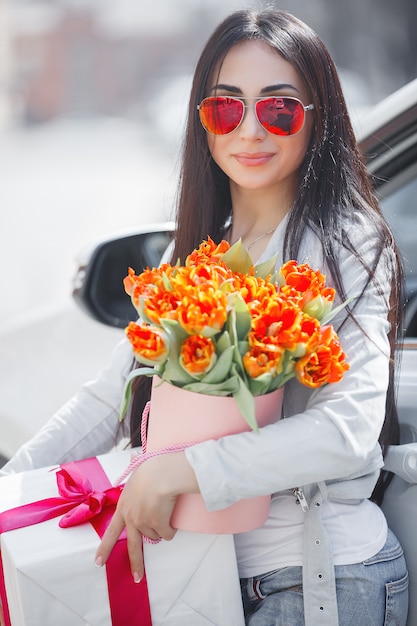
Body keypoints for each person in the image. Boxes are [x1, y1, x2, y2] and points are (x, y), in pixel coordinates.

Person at [1, 8, 408, 625]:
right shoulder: (196, 248)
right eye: (226, 108)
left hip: (319, 581)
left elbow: (348, 432)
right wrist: (11, 492)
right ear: (203, 122)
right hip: (202, 580)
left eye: (279, 109)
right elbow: (109, 393)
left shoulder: (347, 244)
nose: (250, 131)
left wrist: (178, 469)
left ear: (316, 118)